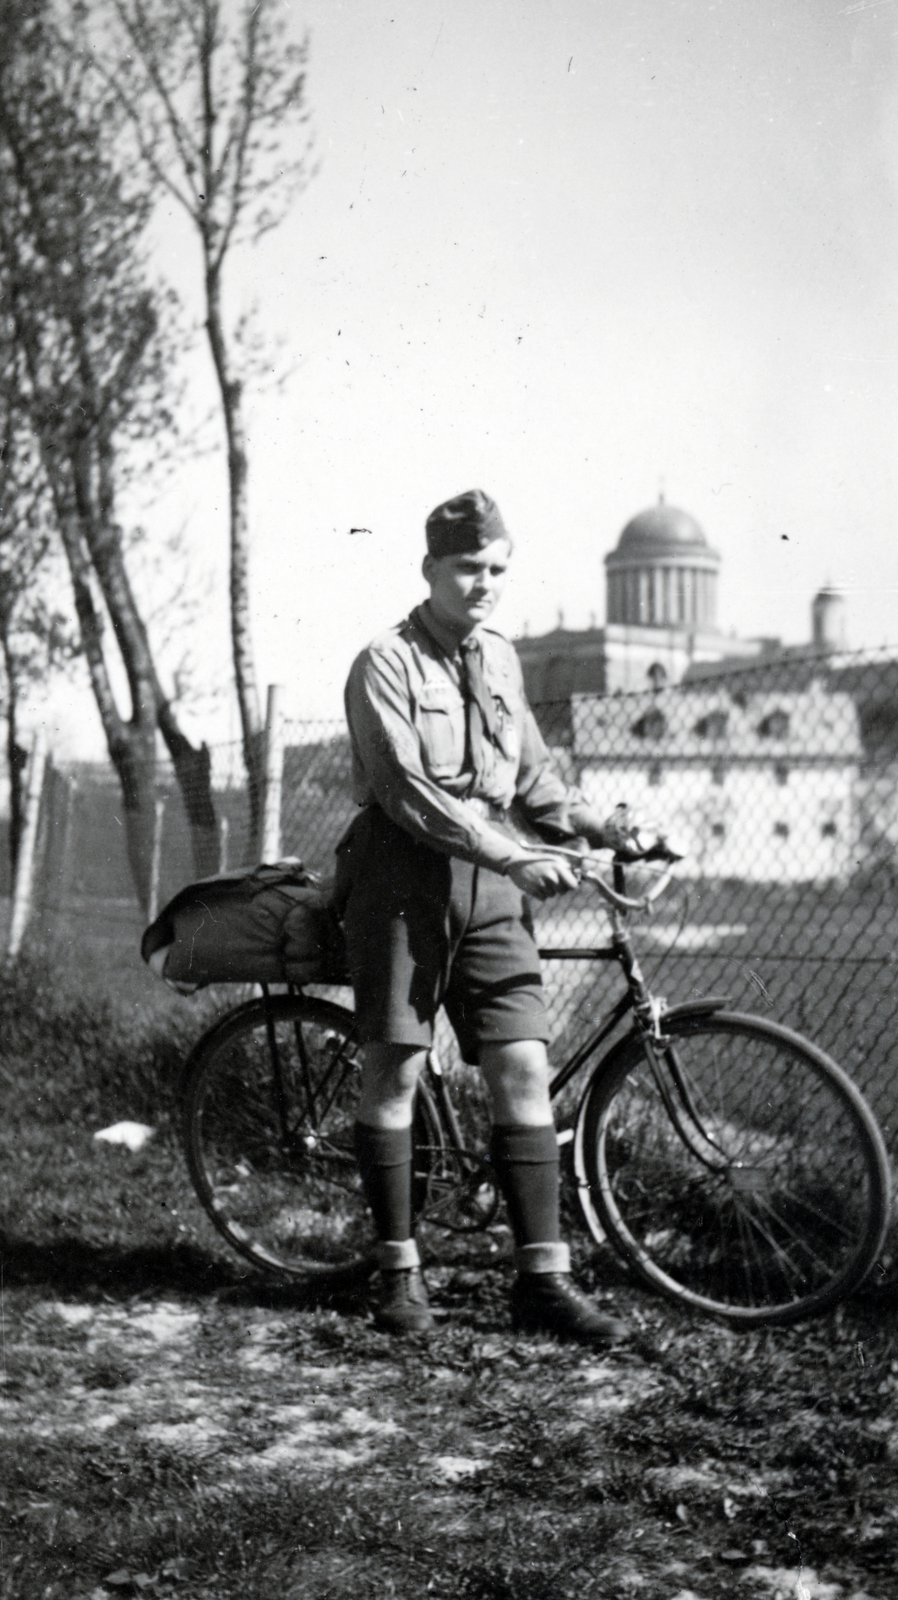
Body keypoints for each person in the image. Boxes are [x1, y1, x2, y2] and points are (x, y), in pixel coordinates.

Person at [339, 488, 653, 1343]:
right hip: (403, 881)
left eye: (498, 570)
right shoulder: (387, 663)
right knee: (396, 1071)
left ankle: (541, 1281)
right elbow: (406, 793)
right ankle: (397, 1268)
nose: (484, 585)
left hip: (490, 891)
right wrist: (516, 853)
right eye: (469, 568)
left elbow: (534, 779)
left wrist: (609, 828)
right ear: (431, 569)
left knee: (521, 1067)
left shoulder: (504, 661)